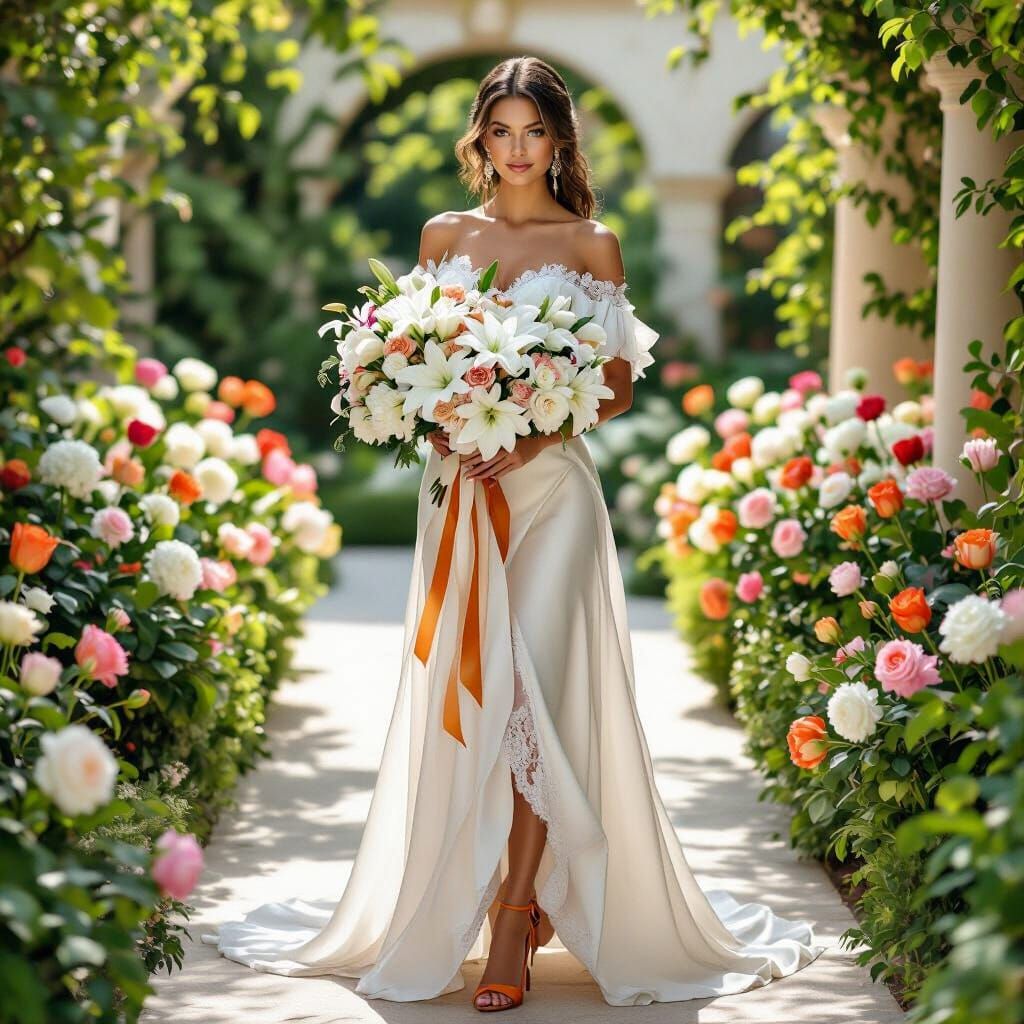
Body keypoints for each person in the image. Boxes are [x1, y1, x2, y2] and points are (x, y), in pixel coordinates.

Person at [201, 54, 827, 1012]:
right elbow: (408, 359)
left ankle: (515, 911)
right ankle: (486, 894)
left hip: (554, 491)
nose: (519, 150)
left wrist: (532, 424)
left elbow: (615, 385)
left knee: (536, 688)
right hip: (462, 488)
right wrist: (436, 414)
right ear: (481, 140)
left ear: (560, 140)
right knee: (482, 688)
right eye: (502, 132)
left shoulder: (594, 243)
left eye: (536, 132)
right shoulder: (444, 234)